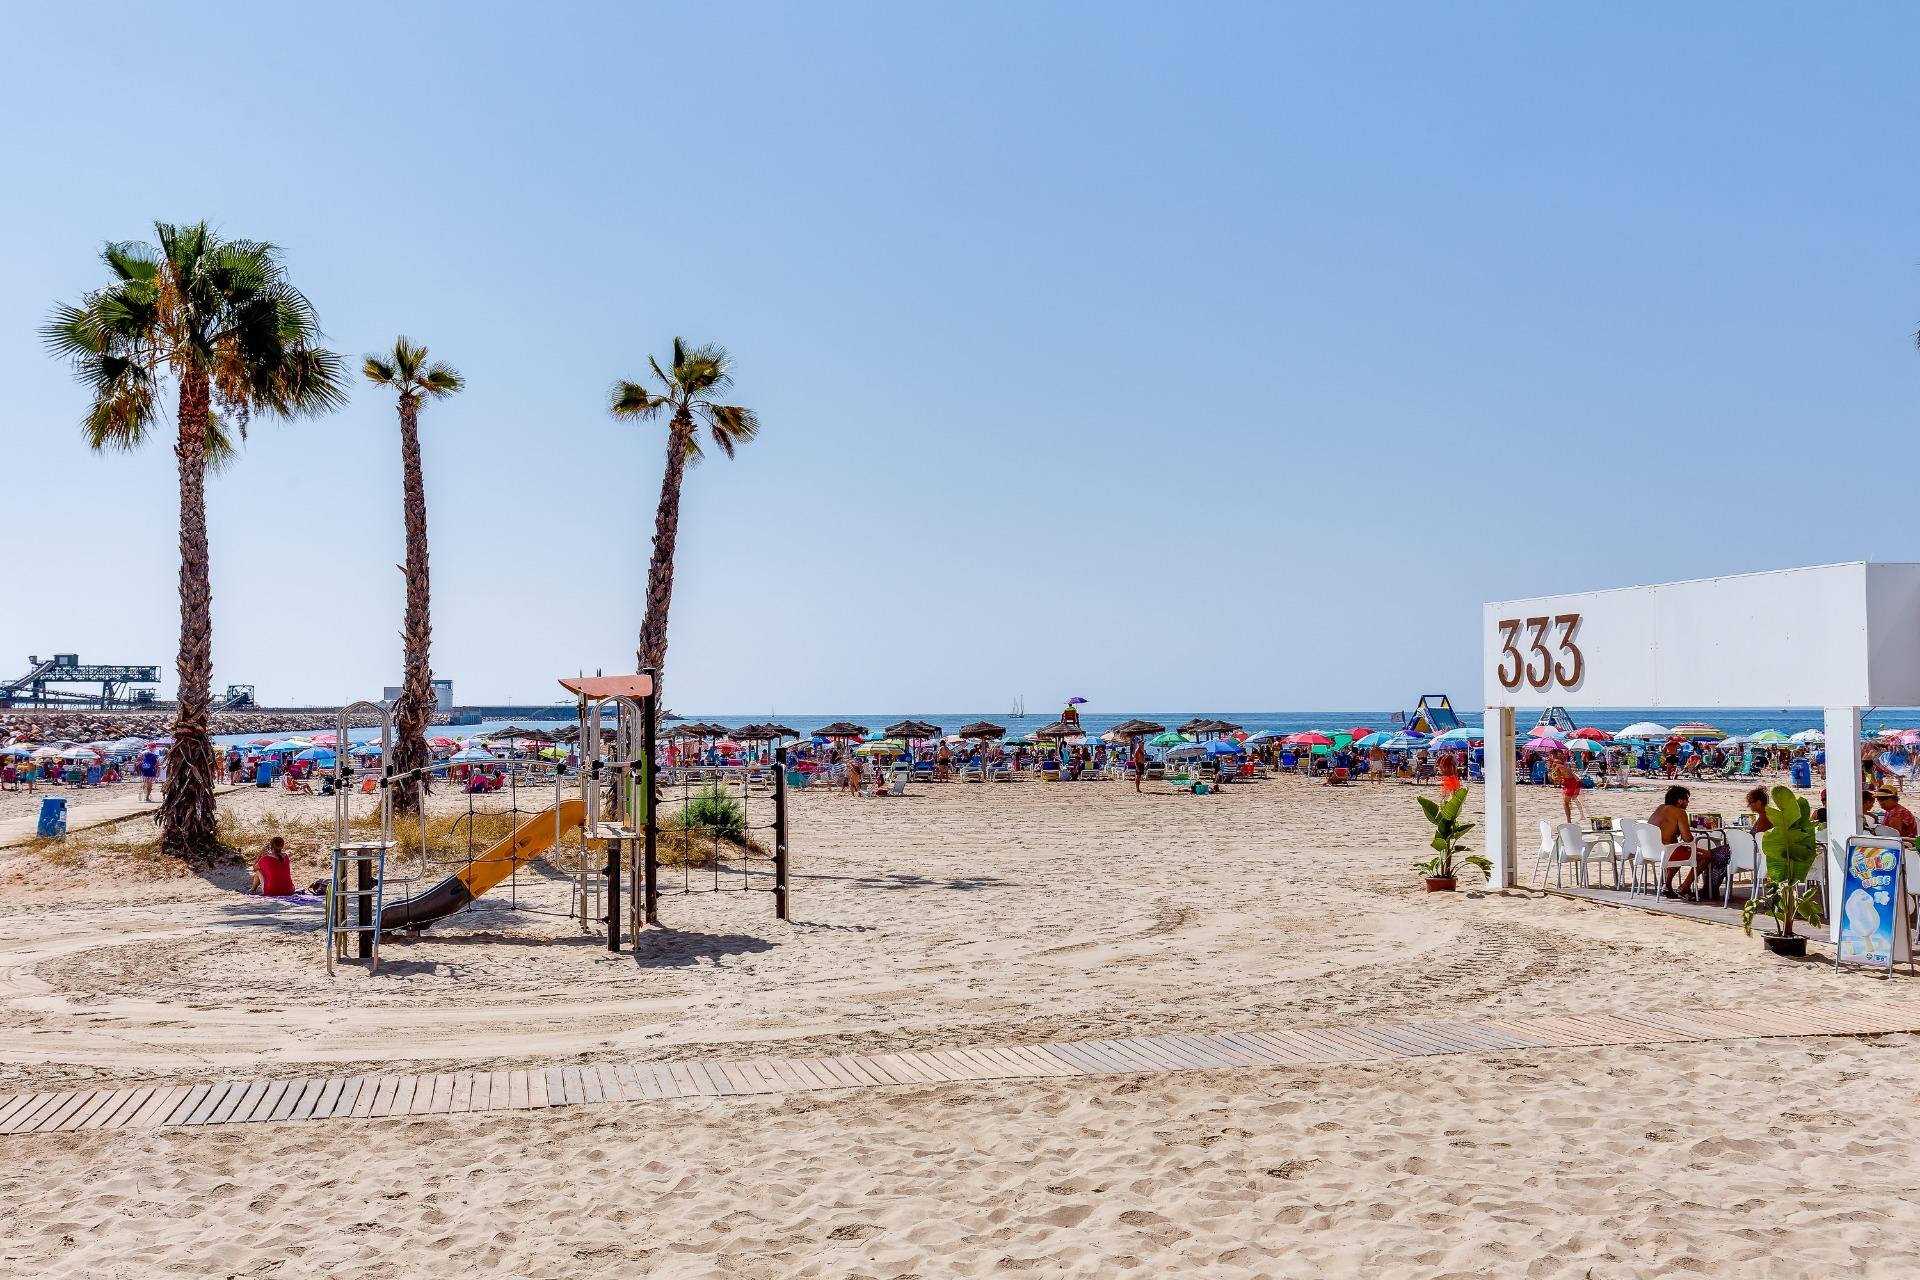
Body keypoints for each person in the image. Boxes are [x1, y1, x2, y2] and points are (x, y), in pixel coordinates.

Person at [1648, 785, 1697, 897]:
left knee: (1678, 850)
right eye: (1687, 800)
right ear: (1680, 801)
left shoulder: (1660, 808)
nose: (1688, 802)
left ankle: (1667, 885)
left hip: (1651, 850)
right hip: (1668, 852)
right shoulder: (1679, 812)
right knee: (1706, 856)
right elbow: (1688, 839)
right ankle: (1684, 887)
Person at [1551, 755, 1582, 823]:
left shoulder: (1561, 767)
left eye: (1556, 762)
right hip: (1570, 783)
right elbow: (1561, 778)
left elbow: (1560, 778)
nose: (1554, 763)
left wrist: (1555, 774)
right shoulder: (1563, 768)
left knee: (1565, 803)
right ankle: (1569, 820)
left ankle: (1569, 821)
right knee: (1566, 802)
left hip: (1571, 784)